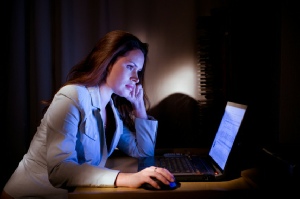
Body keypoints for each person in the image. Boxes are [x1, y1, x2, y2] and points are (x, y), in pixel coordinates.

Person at [1, 30, 174, 199]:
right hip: (28, 195)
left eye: (139, 71)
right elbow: (59, 170)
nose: (136, 78)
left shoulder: (111, 110)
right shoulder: (72, 96)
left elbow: (144, 153)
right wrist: (126, 178)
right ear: (107, 63)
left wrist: (139, 108)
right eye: (130, 67)